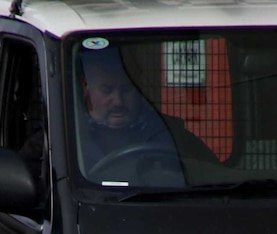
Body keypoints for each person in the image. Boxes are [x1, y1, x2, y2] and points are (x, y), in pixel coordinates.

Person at [20, 47, 217, 186]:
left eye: (126, 89)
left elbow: (215, 177)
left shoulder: (171, 136)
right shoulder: (54, 142)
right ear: (85, 88)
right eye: (107, 90)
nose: (118, 101)